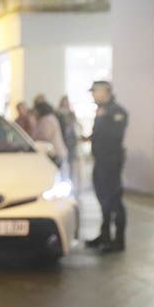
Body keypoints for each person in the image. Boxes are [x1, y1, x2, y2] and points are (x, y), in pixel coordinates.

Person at [86, 80, 128, 253]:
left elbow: (114, 136)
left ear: (105, 91)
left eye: (95, 91)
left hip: (110, 162)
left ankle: (117, 240)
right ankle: (104, 236)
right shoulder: (102, 111)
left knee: (114, 200)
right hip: (101, 161)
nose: (93, 95)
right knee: (103, 199)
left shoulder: (116, 111)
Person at [31, 100, 67, 168]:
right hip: (54, 152)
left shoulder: (47, 120)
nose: (35, 113)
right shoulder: (49, 118)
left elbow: (45, 136)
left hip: (55, 153)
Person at [57, 96, 81, 186]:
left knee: (71, 162)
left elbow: (75, 126)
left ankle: (70, 181)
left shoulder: (71, 114)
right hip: (63, 140)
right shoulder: (58, 114)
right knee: (62, 162)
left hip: (71, 141)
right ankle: (62, 181)